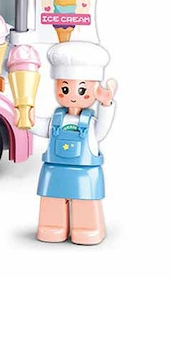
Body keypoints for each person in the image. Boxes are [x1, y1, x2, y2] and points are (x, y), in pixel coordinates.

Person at [25, 42, 117, 245]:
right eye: (65, 88)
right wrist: (27, 119)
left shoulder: (90, 123)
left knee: (85, 202)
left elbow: (102, 130)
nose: (72, 95)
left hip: (85, 173)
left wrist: (106, 104)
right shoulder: (56, 119)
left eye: (82, 89)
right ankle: (52, 226)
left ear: (95, 90)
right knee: (52, 201)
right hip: (54, 171)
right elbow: (40, 127)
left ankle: (88, 228)